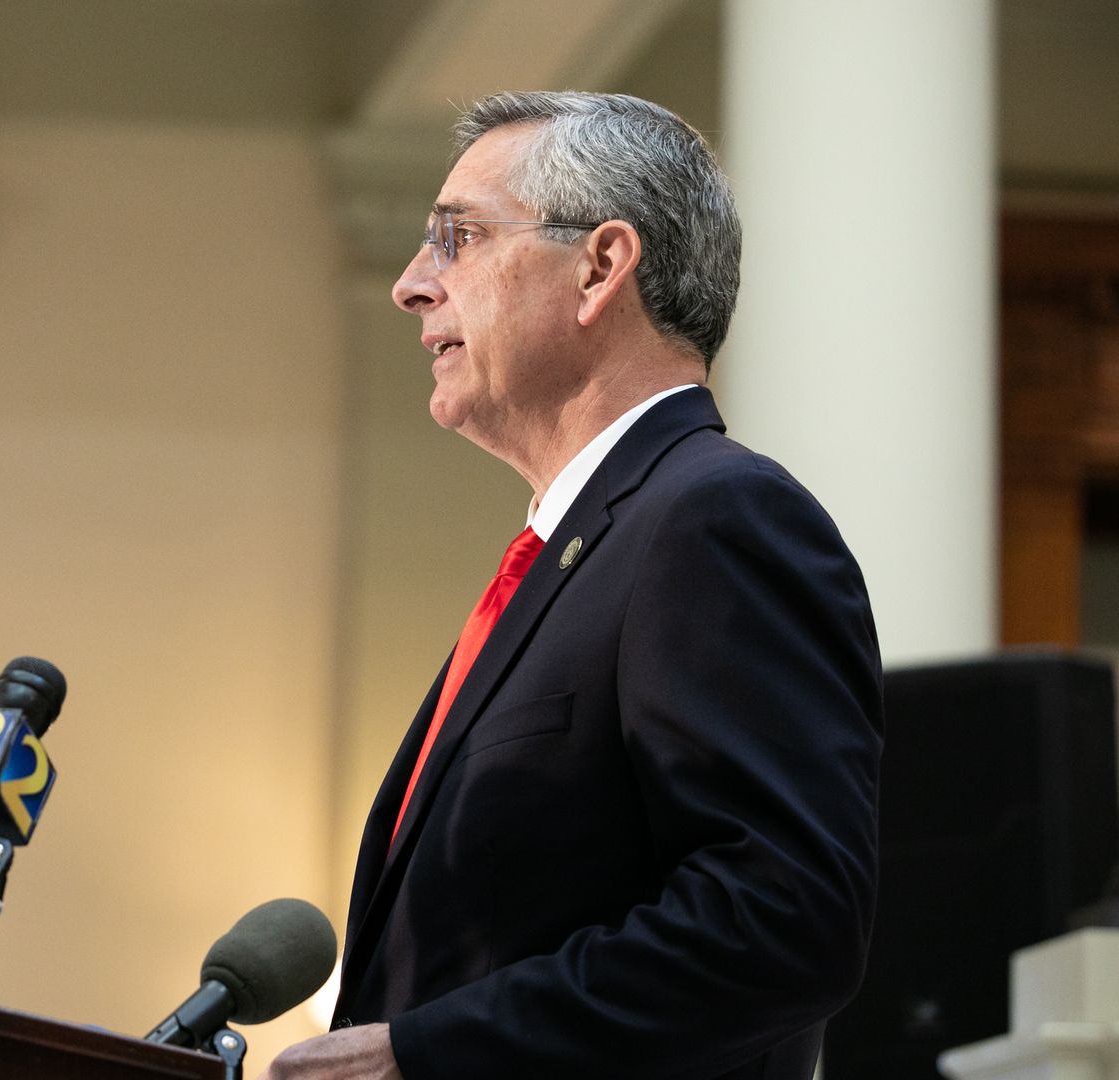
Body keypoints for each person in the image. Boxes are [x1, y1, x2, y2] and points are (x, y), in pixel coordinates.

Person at [267, 91, 883, 1079]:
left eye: (455, 238)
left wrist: (429, 1054)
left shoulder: (714, 519)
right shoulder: (588, 550)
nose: (411, 287)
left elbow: (781, 917)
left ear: (601, 267)